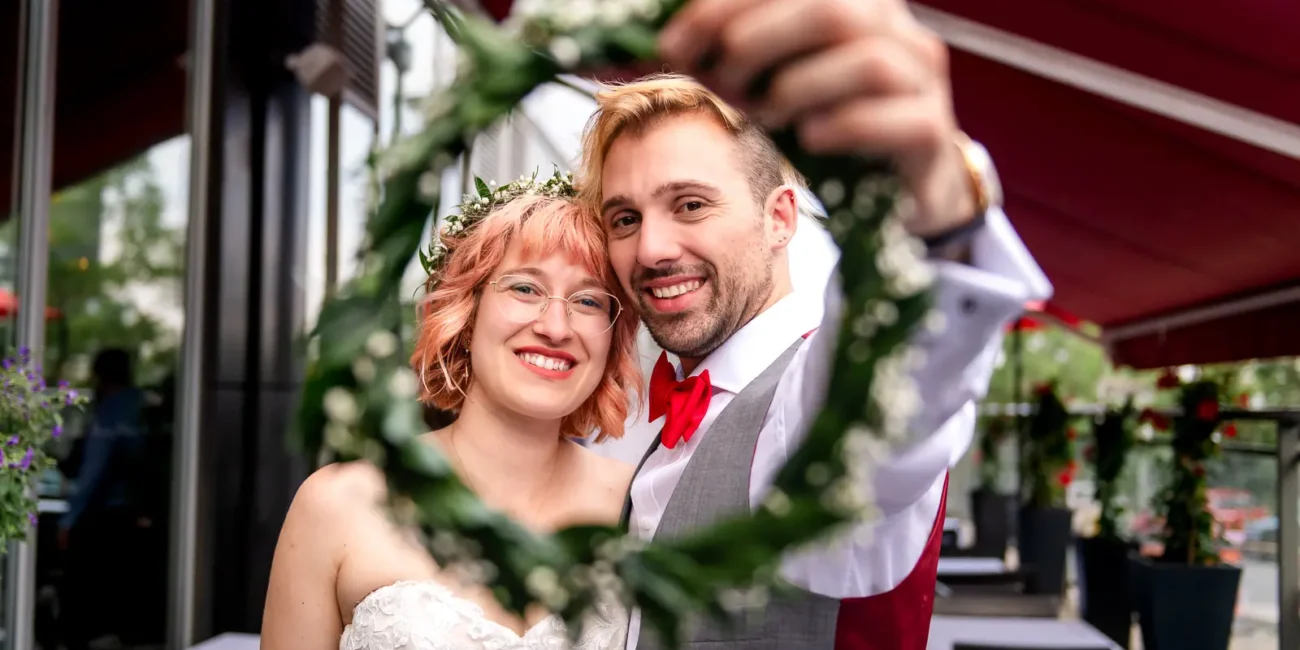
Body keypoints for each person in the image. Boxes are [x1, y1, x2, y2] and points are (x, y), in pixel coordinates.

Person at [577, 1, 1051, 648]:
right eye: (624, 219)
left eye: (690, 204)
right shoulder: (662, 432)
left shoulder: (804, 408)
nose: (652, 248)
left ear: (780, 218)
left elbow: (888, 397)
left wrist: (935, 211)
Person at [260, 186, 642, 650]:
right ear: (465, 313)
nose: (555, 327)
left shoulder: (643, 505)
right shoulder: (337, 505)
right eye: (525, 288)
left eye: (588, 301)